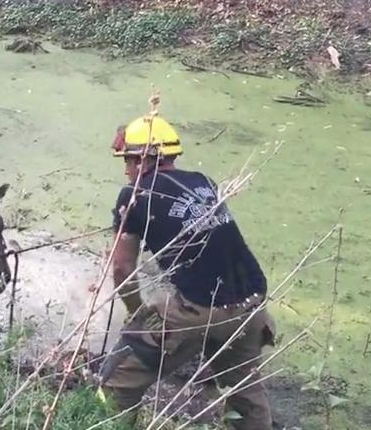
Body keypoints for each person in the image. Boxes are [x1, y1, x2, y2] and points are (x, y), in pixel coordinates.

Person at [98, 114, 276, 430]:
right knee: (245, 392)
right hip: (251, 301)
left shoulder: (135, 196)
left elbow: (122, 267)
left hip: (197, 307)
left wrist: (137, 311)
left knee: (116, 379)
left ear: (144, 159)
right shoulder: (203, 182)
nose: (126, 170)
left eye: (128, 160)